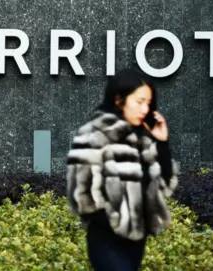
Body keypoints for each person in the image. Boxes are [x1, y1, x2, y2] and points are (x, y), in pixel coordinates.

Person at [66, 67, 179, 271]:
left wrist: (162, 143)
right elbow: (81, 196)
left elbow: (163, 186)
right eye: (139, 101)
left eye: (148, 103)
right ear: (119, 100)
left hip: (137, 240)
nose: (145, 109)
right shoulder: (94, 134)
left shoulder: (142, 139)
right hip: (107, 240)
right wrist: (117, 220)